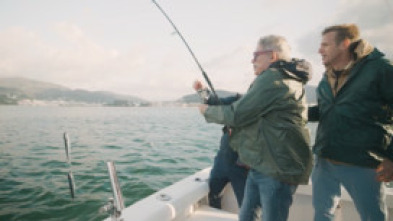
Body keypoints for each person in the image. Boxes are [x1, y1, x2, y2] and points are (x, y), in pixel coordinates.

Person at [198, 35, 313, 221]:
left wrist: (207, 112)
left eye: (256, 54)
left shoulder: (273, 78)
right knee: (247, 215)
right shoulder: (288, 78)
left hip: (276, 168)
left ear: (272, 56)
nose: (252, 60)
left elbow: (236, 114)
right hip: (263, 164)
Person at [309, 23, 393, 221]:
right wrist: (295, 112)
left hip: (363, 162)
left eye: (325, 45)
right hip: (324, 160)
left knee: (373, 217)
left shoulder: (381, 69)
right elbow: (326, 110)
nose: (319, 50)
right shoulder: (327, 75)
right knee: (322, 215)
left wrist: (391, 156)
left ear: (344, 44)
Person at [193, 81, 248, 209]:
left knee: (247, 206)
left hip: (242, 166)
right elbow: (214, 102)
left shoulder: (262, 108)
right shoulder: (237, 99)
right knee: (213, 195)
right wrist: (201, 90)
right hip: (221, 162)